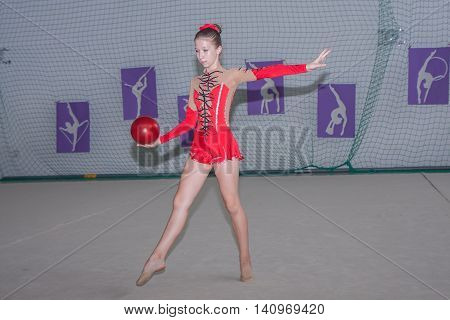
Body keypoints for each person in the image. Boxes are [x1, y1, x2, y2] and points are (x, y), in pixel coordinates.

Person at [136, 23, 331, 286]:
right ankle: (157, 257)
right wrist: (162, 139)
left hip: (223, 146)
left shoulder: (232, 76)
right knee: (180, 202)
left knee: (232, 205)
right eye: (197, 51)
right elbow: (189, 122)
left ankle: (245, 257)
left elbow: (268, 72)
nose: (201, 55)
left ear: (219, 50)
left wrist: (307, 66)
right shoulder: (195, 82)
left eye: (205, 49)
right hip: (200, 148)